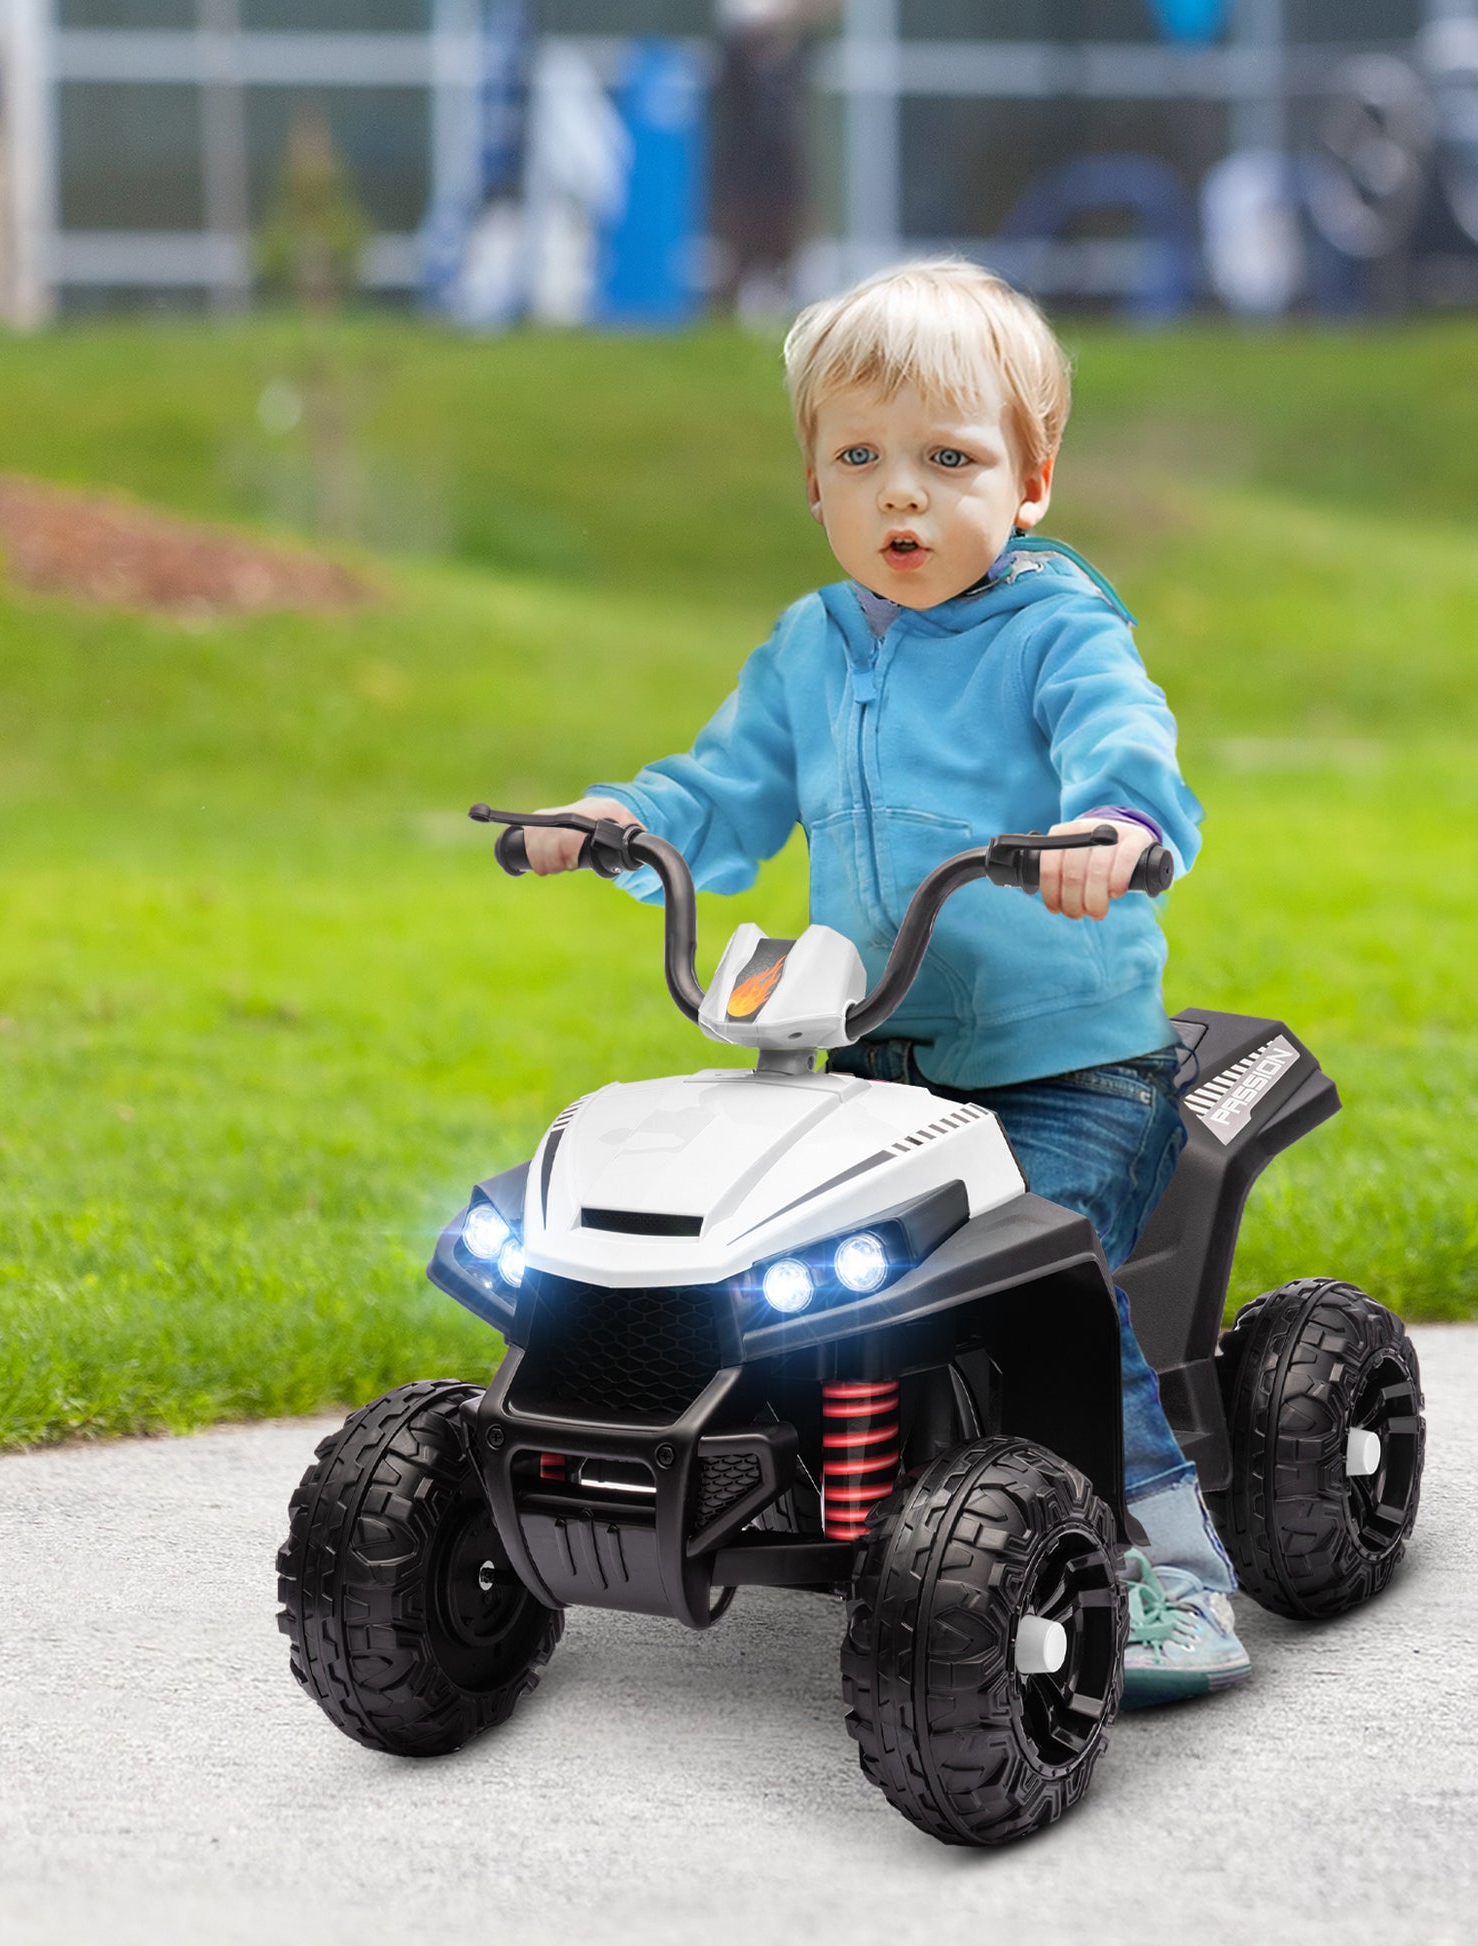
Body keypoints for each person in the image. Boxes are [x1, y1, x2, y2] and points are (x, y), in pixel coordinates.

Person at [520, 258, 1247, 1706]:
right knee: (748, 1263)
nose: (899, 498)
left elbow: (1126, 741)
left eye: (946, 459)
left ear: (1029, 481)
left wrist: (1115, 830)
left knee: (1051, 1284)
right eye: (858, 459)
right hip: (873, 1067)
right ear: (811, 483)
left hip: (1063, 1072)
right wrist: (622, 825)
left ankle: (1173, 1566)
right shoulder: (810, 645)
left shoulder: (1057, 629)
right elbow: (717, 788)